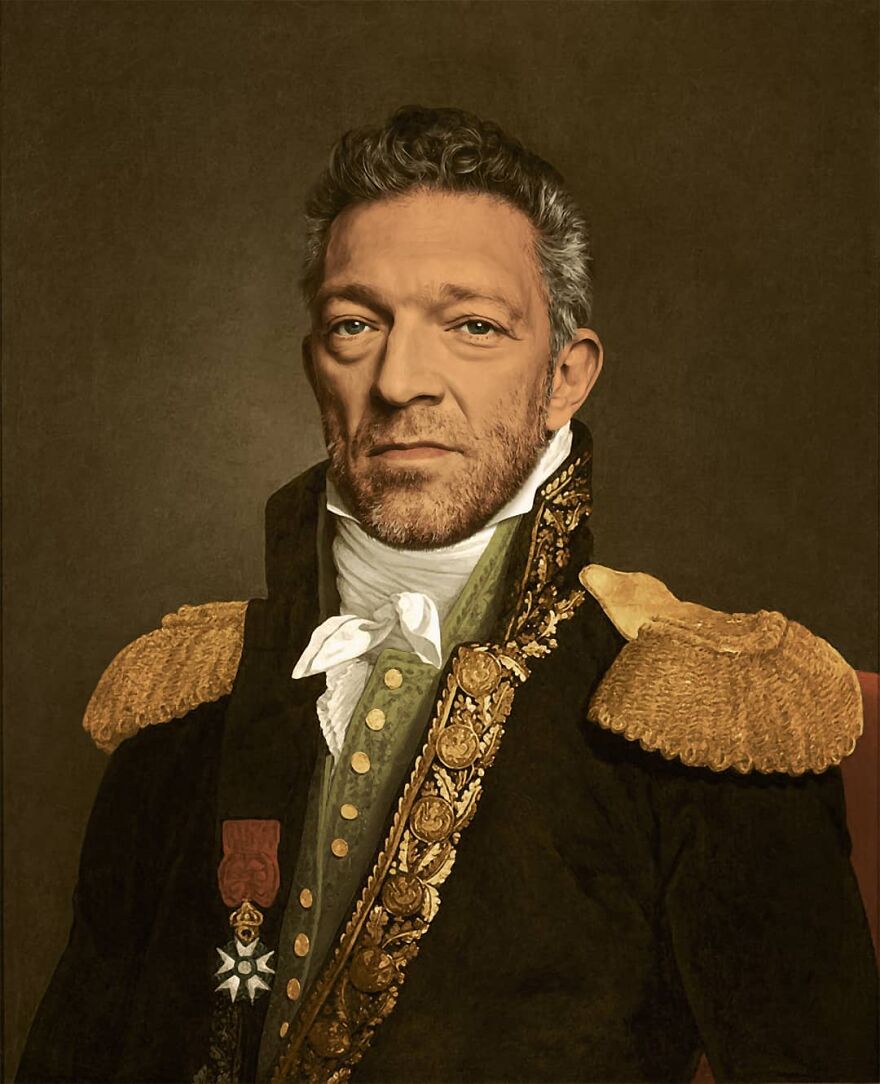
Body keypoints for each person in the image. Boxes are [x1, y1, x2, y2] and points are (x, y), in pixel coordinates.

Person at [17, 106, 877, 1084]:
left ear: (565, 378)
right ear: (316, 365)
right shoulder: (188, 711)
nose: (400, 382)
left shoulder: (704, 721)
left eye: (472, 326)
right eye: (356, 324)